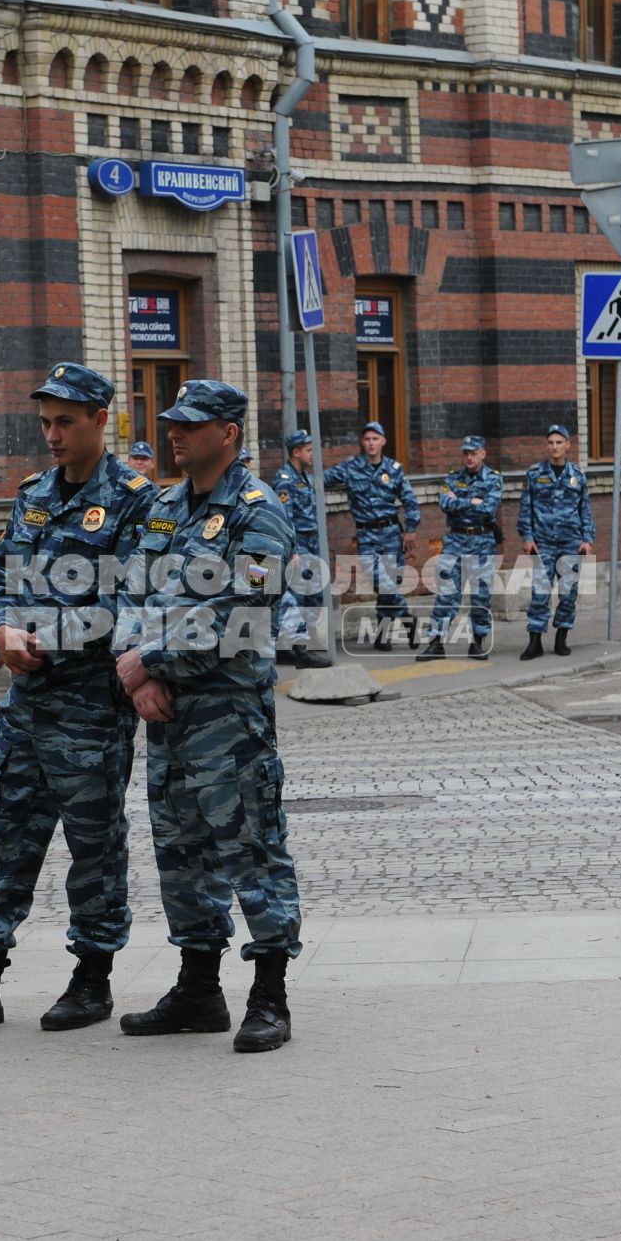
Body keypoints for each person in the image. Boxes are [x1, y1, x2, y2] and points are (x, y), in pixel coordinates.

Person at [0, 362, 157, 1035]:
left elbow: (126, 606)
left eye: (65, 422)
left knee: (95, 848)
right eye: (45, 421)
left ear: (100, 420)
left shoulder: (136, 501)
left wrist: (35, 637)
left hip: (89, 712)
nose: (51, 434)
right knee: (0, 841)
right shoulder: (33, 495)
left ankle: (92, 978)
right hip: (23, 710)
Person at [115, 379, 302, 1053]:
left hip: (230, 716)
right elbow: (131, 588)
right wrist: (134, 668)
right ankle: (198, 989)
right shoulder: (166, 508)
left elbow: (245, 619)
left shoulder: (260, 512)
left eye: (190, 424)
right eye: (171, 421)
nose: (174, 432)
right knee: (181, 854)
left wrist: (150, 660)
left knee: (252, 849)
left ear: (228, 432)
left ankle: (270, 995)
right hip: (166, 716)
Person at [324, 421, 420, 650]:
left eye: (375, 439)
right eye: (367, 439)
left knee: (390, 585)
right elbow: (320, 479)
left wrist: (411, 530)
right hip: (366, 535)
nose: (371, 443)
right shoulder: (351, 468)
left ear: (383, 441)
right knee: (382, 581)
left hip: (391, 534)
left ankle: (382, 635)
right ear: (362, 442)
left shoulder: (394, 469)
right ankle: (408, 620)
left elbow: (410, 500)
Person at [419, 435, 502, 661]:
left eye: (473, 452)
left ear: (483, 453)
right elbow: (445, 504)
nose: (469, 457)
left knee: (480, 596)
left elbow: (488, 509)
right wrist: (471, 501)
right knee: (446, 593)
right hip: (455, 543)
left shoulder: (494, 479)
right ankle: (436, 643)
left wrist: (461, 502)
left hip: (482, 543)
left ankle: (478, 642)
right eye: (466, 452)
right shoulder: (453, 478)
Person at [517, 424, 595, 660]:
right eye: (551, 443)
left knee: (568, 593)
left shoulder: (578, 476)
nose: (554, 447)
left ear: (568, 445)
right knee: (540, 592)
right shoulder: (534, 474)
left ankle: (562, 638)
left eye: (559, 442)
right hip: (544, 544)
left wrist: (587, 539)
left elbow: (585, 510)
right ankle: (535, 641)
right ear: (546, 446)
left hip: (571, 544)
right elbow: (525, 509)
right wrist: (527, 537)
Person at [273, 429, 331, 670]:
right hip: (299, 546)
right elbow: (284, 517)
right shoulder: (284, 479)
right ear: (296, 452)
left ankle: (299, 644)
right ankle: (298, 648)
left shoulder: (306, 476)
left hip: (312, 543)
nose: (313, 455)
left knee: (313, 594)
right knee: (295, 596)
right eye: (308, 450)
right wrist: (293, 549)